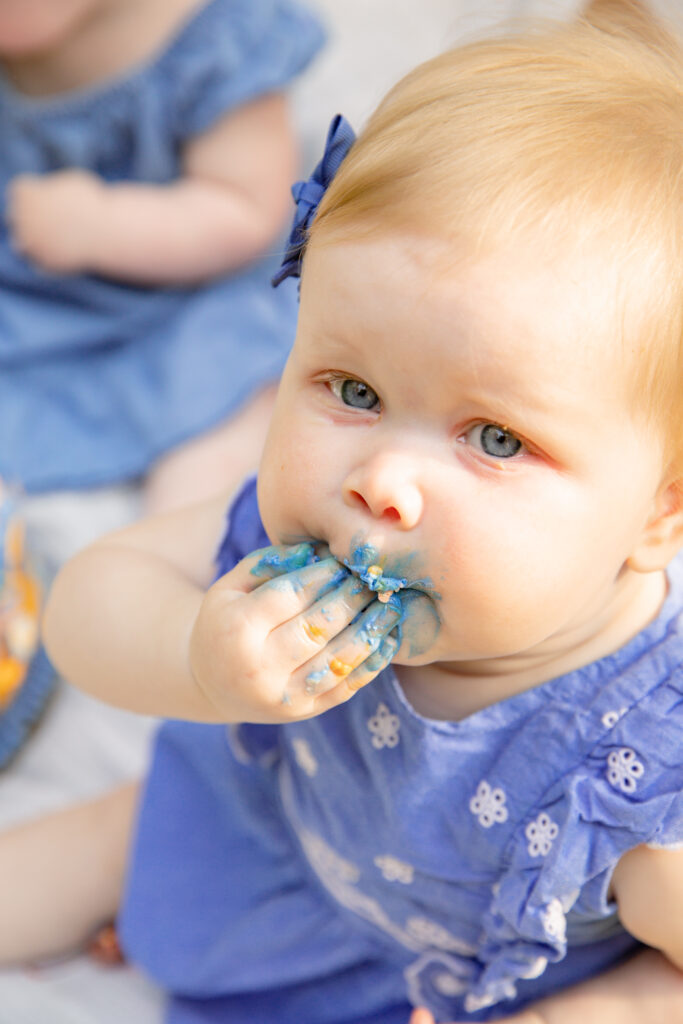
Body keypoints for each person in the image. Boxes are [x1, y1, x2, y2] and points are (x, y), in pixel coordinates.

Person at [3, 0, 683, 1021]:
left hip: (430, 974)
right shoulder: (292, 542)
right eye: (351, 390)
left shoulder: (638, 770)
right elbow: (94, 599)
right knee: (121, 827)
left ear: (659, 511)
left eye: (494, 438)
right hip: (265, 824)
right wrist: (195, 655)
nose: (380, 481)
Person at [0, 0, 324, 511]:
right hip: (30, 292)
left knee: (220, 428)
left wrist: (100, 224)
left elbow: (245, 209)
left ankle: (178, 569)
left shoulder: (215, 36)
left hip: (191, 293)